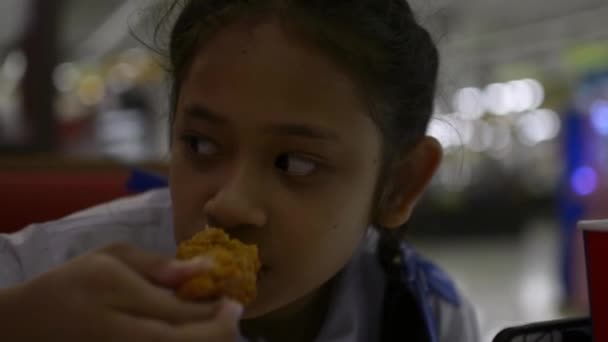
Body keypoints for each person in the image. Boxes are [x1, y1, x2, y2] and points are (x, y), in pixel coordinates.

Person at [0, 0, 479, 341]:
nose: (228, 204)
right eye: (201, 145)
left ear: (400, 184)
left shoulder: (427, 316)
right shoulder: (41, 276)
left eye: (295, 163)